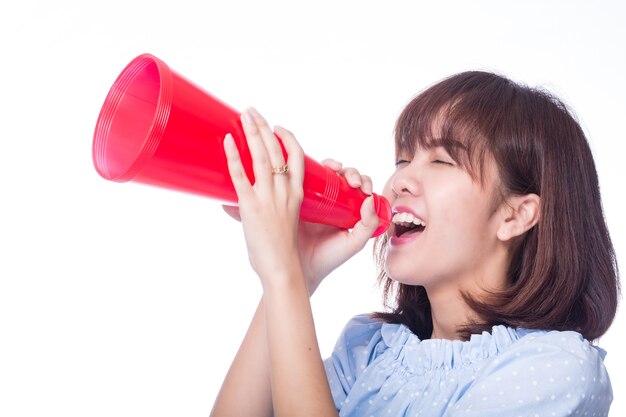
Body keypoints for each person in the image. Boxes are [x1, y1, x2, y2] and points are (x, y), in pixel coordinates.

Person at [210, 71, 619, 417]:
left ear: (515, 215)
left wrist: (283, 276)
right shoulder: (369, 349)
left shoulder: (557, 369)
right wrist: (295, 270)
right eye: (402, 160)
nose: (399, 181)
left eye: (442, 161)